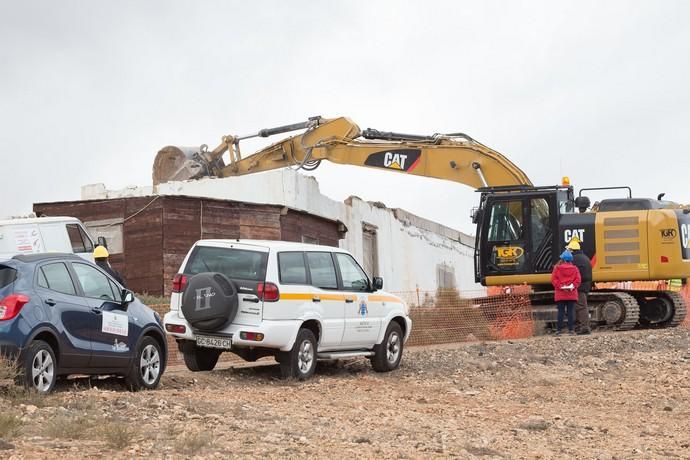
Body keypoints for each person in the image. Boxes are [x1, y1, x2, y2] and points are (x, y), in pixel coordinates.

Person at [551, 249, 581, 335]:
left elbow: (553, 280)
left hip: (560, 294)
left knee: (561, 311)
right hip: (571, 294)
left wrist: (561, 286)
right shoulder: (575, 269)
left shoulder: (557, 268)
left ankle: (559, 330)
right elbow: (578, 280)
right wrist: (572, 286)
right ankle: (571, 330)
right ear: (571, 260)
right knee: (570, 311)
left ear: (563, 259)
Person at [567, 240, 592, 334]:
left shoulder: (574, 259)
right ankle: (580, 327)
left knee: (581, 307)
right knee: (580, 306)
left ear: (572, 250)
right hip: (586, 285)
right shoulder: (585, 258)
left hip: (579, 286)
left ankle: (584, 327)